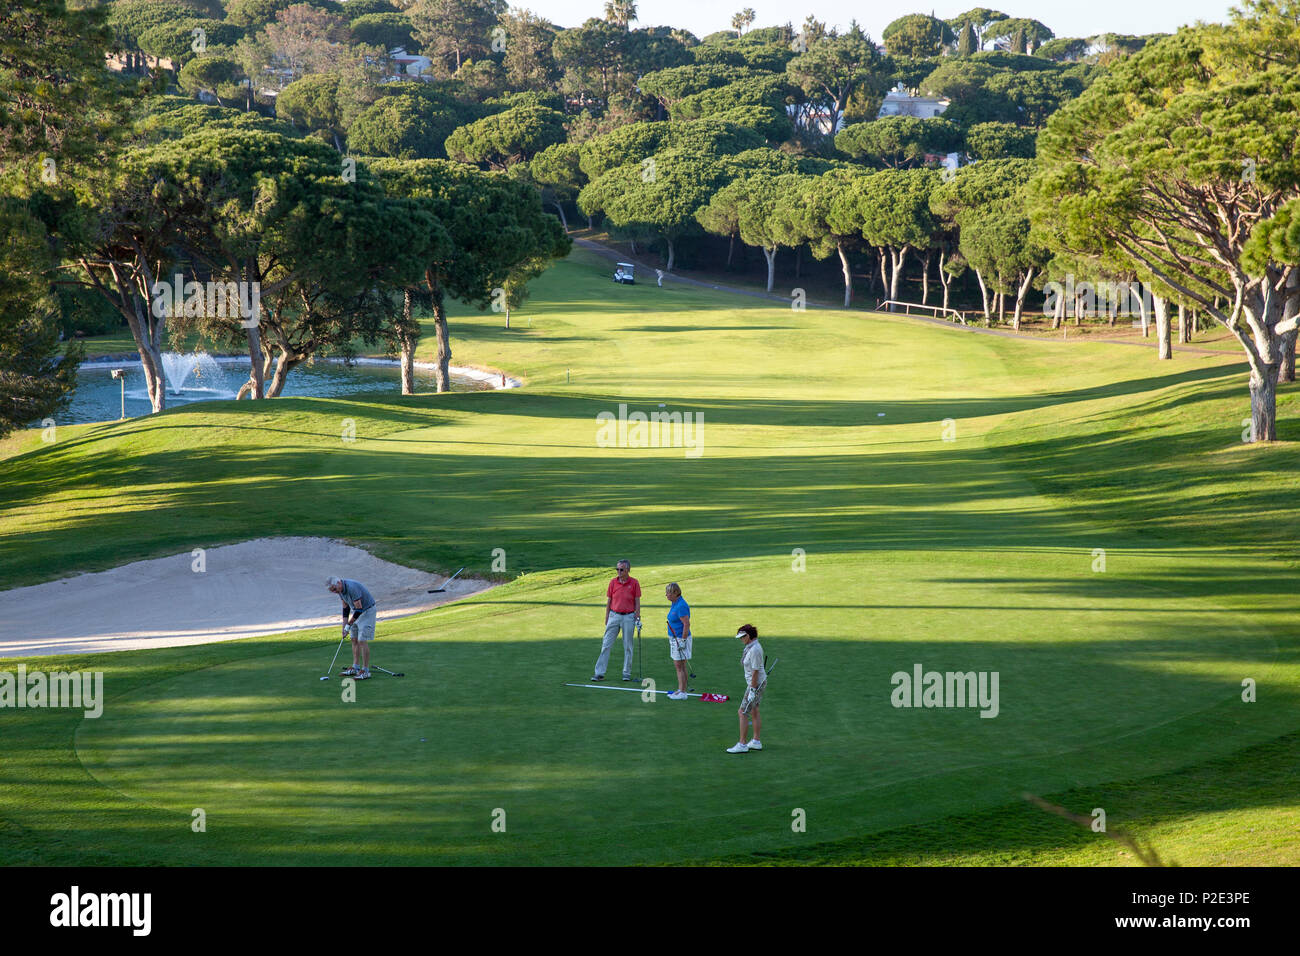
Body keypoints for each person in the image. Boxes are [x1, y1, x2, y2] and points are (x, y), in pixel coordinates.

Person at [593, 559, 640, 682]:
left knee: (628, 646)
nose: (618, 571)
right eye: (617, 569)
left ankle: (626, 673)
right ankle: (599, 673)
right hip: (614, 616)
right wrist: (607, 616)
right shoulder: (613, 582)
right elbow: (609, 600)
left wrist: (638, 617)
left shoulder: (634, 583)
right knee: (606, 645)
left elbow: (637, 601)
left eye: (621, 569)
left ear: (628, 570)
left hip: (629, 617)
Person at [328, 577, 376, 680]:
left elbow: (359, 608)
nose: (335, 592)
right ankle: (355, 667)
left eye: (335, 589)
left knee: (362, 640)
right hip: (356, 613)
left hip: (367, 611)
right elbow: (345, 609)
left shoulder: (352, 588)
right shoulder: (340, 591)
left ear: (339, 583)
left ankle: (366, 671)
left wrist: (349, 624)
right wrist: (344, 627)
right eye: (332, 591)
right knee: (354, 639)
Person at [727, 624, 765, 753]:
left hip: (755, 685)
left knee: (742, 712)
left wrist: (753, 690)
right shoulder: (752, 647)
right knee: (754, 710)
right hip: (757, 683)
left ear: (748, 636)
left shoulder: (754, 650)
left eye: (742, 637)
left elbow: (755, 672)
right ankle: (756, 741)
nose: (741, 640)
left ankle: (742, 744)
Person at [665, 582, 692, 700]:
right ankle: (681, 690)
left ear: (675, 593)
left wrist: (683, 641)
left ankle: (682, 692)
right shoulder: (675, 602)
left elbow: (686, 624)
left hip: (680, 639)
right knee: (680, 665)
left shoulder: (681, 605)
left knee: (679, 665)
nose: (666, 595)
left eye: (668, 593)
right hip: (675, 639)